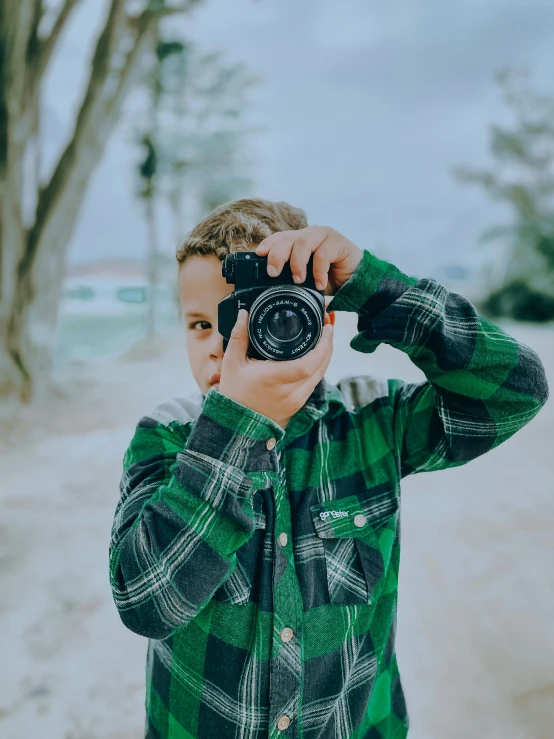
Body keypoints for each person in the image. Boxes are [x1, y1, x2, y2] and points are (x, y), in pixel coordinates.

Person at [108, 197, 549, 739]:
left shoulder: (373, 423)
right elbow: (146, 600)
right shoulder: (169, 438)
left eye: (249, 314)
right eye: (201, 323)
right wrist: (240, 422)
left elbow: (516, 391)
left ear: (318, 318)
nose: (225, 347)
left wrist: (375, 286)